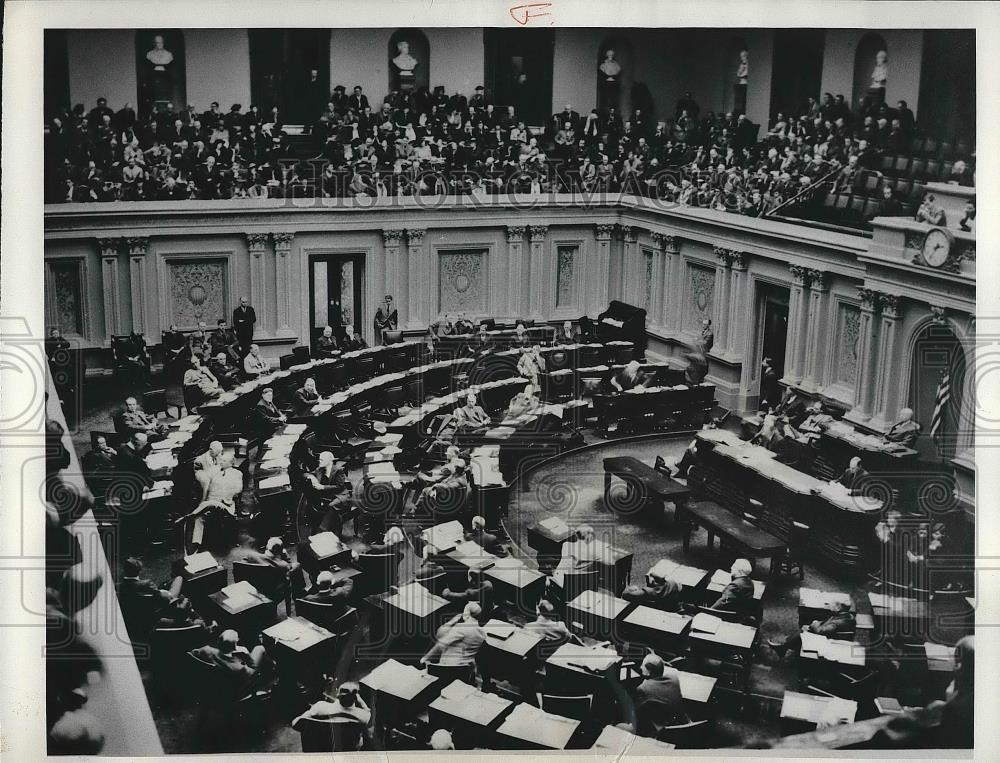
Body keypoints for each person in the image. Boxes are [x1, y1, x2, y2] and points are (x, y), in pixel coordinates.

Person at [182, 452, 243, 551]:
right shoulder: (215, 471)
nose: (221, 462)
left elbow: (238, 489)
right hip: (211, 501)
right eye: (221, 460)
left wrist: (226, 488)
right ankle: (196, 544)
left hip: (225, 504)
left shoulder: (237, 474)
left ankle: (189, 515)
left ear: (231, 463)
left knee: (204, 507)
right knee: (199, 517)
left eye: (224, 461)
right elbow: (204, 479)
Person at [420, 602, 486, 681]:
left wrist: (425, 658)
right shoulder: (482, 633)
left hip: (447, 668)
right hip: (465, 671)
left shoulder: (460, 628)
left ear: (466, 614)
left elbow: (440, 645)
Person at [767, 601, 856, 657]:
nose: (831, 607)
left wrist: (815, 624)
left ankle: (783, 648)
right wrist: (817, 623)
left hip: (828, 641)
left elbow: (820, 632)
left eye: (835, 605)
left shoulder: (837, 622)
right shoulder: (847, 616)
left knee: (804, 631)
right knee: (805, 628)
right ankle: (785, 646)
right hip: (832, 636)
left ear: (839, 608)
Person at [630, 653, 690, 736]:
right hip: (683, 725)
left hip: (664, 733)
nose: (640, 667)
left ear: (649, 670)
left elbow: (636, 713)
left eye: (642, 665)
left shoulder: (643, 688)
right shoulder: (674, 679)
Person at [191, 629, 271, 690]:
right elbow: (253, 672)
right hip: (236, 688)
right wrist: (247, 655)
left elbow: (192, 654)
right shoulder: (239, 668)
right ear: (235, 646)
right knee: (259, 648)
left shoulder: (206, 650)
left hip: (213, 682)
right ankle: (272, 668)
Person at [292, 680, 372, 736]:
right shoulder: (364, 715)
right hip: (347, 746)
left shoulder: (320, 706)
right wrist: (363, 704)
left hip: (321, 744)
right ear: (357, 697)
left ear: (337, 695)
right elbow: (370, 726)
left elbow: (295, 724)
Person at [304, 451, 355, 534]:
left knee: (332, 506)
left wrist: (323, 487)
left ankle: (323, 529)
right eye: (319, 460)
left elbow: (339, 486)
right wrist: (311, 477)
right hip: (328, 496)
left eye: (322, 460)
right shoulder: (319, 469)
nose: (319, 461)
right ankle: (328, 531)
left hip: (341, 495)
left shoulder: (338, 470)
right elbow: (306, 474)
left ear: (329, 461)